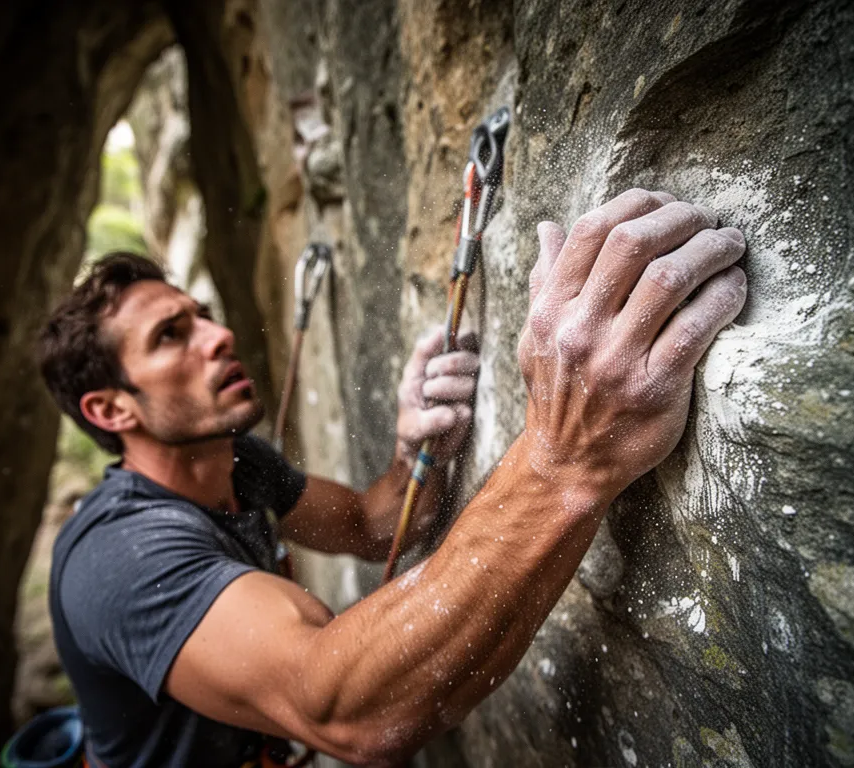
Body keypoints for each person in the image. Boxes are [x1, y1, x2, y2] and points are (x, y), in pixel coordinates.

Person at [38, 188, 747, 767]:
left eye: (201, 316)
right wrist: (564, 459)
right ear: (110, 408)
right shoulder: (117, 558)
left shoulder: (235, 464)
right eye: (171, 337)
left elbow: (369, 526)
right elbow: (347, 712)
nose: (216, 335)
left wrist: (416, 453)